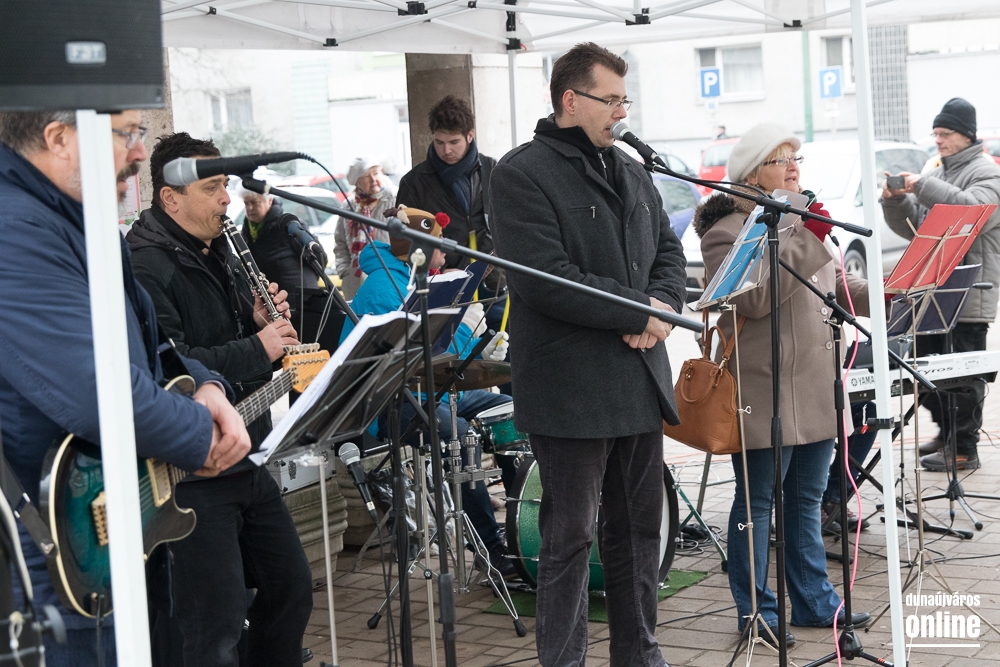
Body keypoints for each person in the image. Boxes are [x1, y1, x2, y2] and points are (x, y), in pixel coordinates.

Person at [0, 110, 250, 666]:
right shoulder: (14, 228)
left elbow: (150, 340)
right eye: (127, 134)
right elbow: (96, 391)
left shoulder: (80, 219)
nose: (140, 152)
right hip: (59, 552)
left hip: (116, 526)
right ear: (59, 138)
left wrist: (205, 385)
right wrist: (200, 433)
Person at [490, 42, 687, 667]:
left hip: (638, 378)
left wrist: (660, 306)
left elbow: (668, 251)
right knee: (569, 538)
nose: (622, 113)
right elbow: (545, 277)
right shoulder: (520, 174)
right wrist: (639, 313)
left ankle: (639, 654)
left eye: (625, 100)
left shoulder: (630, 167)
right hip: (570, 388)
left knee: (639, 533)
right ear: (570, 100)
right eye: (611, 100)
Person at [126, 132, 313, 667]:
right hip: (192, 469)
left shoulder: (217, 250)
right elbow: (173, 364)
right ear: (170, 198)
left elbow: (222, 339)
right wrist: (260, 346)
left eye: (225, 185)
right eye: (212, 189)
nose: (227, 199)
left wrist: (255, 321)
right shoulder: (145, 266)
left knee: (290, 588)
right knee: (214, 623)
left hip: (245, 453)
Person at [694, 122, 871, 646]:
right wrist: (807, 237)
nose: (794, 168)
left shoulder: (801, 220)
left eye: (796, 158)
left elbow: (834, 283)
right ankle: (757, 612)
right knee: (757, 507)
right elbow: (754, 299)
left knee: (806, 501)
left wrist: (888, 288)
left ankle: (814, 602)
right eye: (781, 160)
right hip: (765, 391)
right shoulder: (726, 232)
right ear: (753, 174)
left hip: (814, 388)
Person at [338, 207, 518, 576]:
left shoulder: (422, 279)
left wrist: (479, 345)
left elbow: (445, 350)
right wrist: (463, 326)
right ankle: (489, 550)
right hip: (390, 402)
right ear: (418, 249)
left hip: (435, 391)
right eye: (438, 243)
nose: (446, 249)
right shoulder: (384, 289)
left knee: (511, 411)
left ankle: (522, 532)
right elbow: (414, 357)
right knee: (458, 433)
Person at [881, 97, 1000, 472]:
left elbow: (973, 212)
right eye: (935, 133)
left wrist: (923, 185)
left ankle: (964, 448)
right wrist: (895, 202)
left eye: (945, 133)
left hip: (971, 292)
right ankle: (947, 433)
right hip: (934, 291)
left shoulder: (987, 172)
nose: (938, 140)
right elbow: (916, 227)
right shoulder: (938, 171)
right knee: (927, 369)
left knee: (963, 375)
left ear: (967, 135)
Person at [396, 96, 505, 328]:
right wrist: (441, 273)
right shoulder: (414, 183)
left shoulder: (493, 170)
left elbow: (510, 226)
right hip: (445, 291)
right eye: (439, 142)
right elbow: (405, 245)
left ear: (470, 135)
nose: (446, 150)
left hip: (494, 289)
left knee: (503, 350)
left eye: (454, 142)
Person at [240, 187, 328, 294]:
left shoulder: (288, 226)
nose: (249, 208)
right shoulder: (247, 230)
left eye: (255, 203)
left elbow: (319, 259)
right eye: (246, 203)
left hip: (300, 296)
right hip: (272, 297)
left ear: (270, 200)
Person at [333, 157, 393, 299]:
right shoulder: (349, 206)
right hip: (356, 281)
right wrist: (345, 272)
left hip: (389, 278)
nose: (373, 179)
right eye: (366, 176)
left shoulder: (395, 199)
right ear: (357, 182)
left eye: (376, 173)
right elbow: (340, 242)